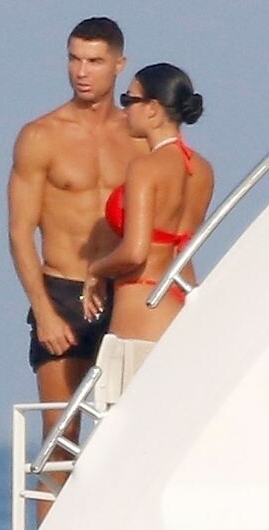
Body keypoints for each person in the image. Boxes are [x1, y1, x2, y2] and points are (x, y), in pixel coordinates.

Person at [7, 17, 145, 486]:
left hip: (123, 294)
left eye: (95, 61)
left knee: (133, 432)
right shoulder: (41, 135)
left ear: (119, 65)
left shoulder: (138, 135)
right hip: (63, 292)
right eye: (74, 59)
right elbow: (20, 232)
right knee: (60, 438)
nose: (82, 72)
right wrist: (44, 312)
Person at [84, 63, 214, 403]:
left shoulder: (145, 168)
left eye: (129, 99)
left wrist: (95, 270)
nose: (124, 108)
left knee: (124, 422)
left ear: (153, 109)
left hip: (142, 311)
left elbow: (135, 251)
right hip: (183, 305)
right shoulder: (201, 170)